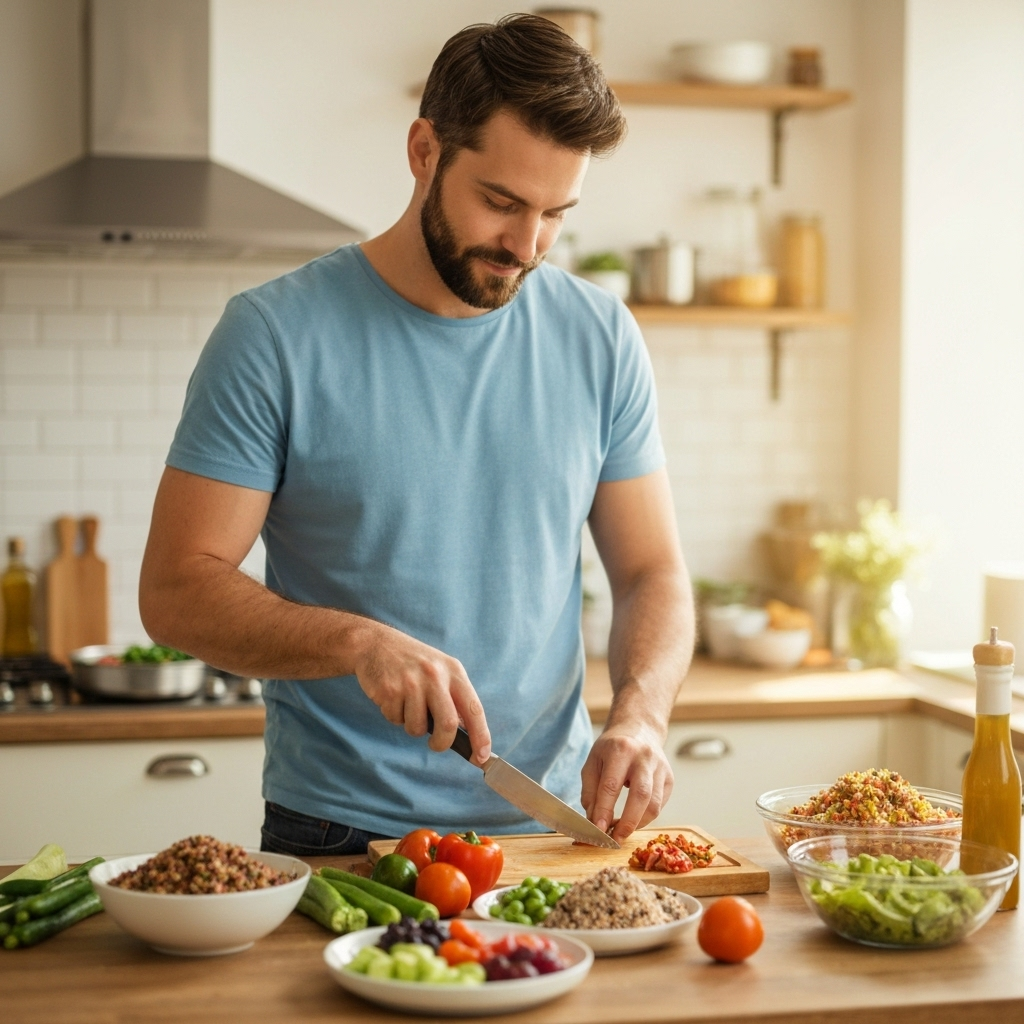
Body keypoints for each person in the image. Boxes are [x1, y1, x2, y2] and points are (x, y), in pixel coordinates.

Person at [139, 14, 695, 857]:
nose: (526, 245)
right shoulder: (274, 334)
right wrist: (356, 642)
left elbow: (653, 571)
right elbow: (176, 590)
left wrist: (643, 717)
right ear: (424, 151)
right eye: (502, 202)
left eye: (555, 214)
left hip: (551, 831)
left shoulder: (600, 334)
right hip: (339, 832)